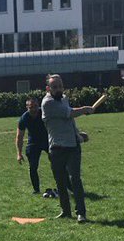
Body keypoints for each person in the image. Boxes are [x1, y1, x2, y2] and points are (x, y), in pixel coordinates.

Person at [41, 75, 106, 221]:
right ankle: (65, 212)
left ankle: (80, 213)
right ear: (48, 89)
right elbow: (70, 113)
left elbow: (69, 120)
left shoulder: (63, 98)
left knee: (75, 180)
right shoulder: (47, 103)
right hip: (56, 148)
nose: (58, 89)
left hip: (72, 147)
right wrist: (85, 109)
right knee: (61, 182)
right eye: (54, 87)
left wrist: (78, 135)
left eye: (60, 86)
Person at [16, 96, 50, 194]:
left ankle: (67, 187)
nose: (34, 109)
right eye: (31, 107)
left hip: (47, 139)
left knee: (57, 163)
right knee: (33, 167)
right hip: (33, 142)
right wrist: (19, 153)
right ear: (27, 107)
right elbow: (19, 136)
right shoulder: (24, 118)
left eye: (36, 106)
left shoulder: (44, 113)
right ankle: (36, 190)